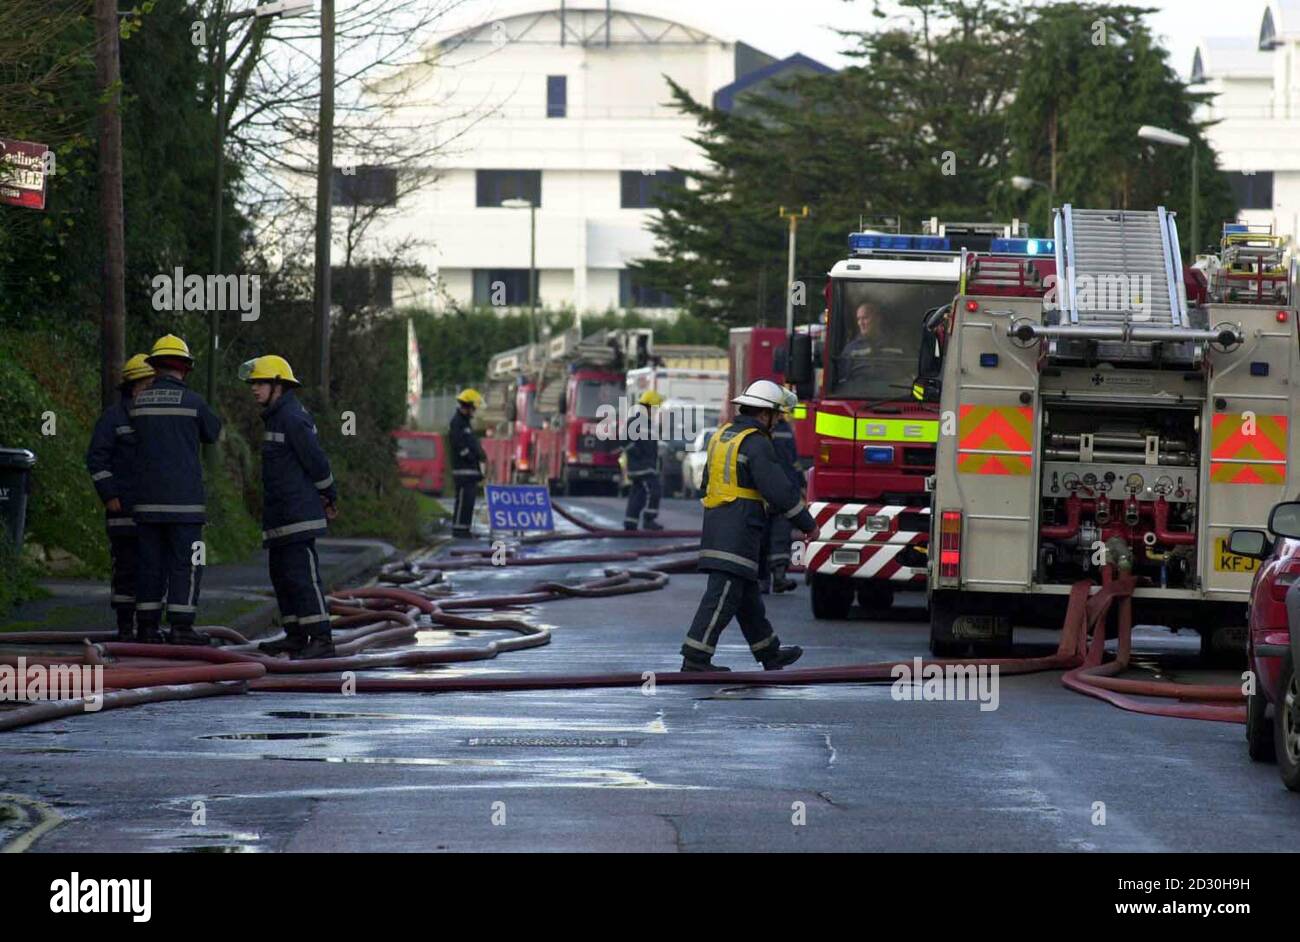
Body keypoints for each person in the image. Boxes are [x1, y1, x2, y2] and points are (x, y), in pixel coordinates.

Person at [680, 379, 816, 672]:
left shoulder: (722, 436)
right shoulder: (756, 442)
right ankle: (695, 657)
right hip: (739, 530)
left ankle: (769, 653)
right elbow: (778, 490)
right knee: (722, 596)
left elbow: (706, 483)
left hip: (719, 525)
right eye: (776, 415)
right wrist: (807, 524)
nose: (778, 421)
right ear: (764, 414)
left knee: (747, 597)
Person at [240, 355, 339, 660]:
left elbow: (316, 461)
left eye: (260, 383)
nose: (254, 389)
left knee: (302, 577)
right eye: (253, 383)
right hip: (281, 516)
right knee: (282, 577)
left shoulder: (293, 418)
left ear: (278, 386)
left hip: (297, 515)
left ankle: (321, 638)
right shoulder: (276, 416)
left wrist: (329, 494)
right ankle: (295, 635)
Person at [130, 335, 222, 645]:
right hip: (185, 505)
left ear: (155, 367)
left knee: (149, 564)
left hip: (146, 504)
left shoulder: (139, 403)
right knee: (188, 563)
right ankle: (181, 627)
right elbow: (213, 432)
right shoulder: (194, 402)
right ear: (185, 368)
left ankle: (146, 627)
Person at [85, 353, 155, 640]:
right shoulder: (113, 418)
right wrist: (110, 495)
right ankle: (125, 627)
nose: (151, 391)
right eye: (147, 385)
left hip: (151, 510)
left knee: (151, 569)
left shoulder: (155, 419)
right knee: (126, 568)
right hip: (123, 510)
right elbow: (96, 459)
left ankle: (148, 627)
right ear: (133, 387)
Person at [766, 387, 803, 594]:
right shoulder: (765, 430)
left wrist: (799, 485)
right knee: (764, 536)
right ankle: (765, 579)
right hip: (766, 492)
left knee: (780, 534)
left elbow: (793, 461)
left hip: (781, 491)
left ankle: (778, 577)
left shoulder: (782, 428)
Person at [622, 389, 665, 531]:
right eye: (655, 408)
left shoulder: (649, 424)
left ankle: (630, 522)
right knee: (654, 490)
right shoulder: (635, 422)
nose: (656, 411)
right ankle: (649, 520)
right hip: (641, 467)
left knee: (638, 494)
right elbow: (624, 441)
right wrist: (638, 454)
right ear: (648, 406)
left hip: (646, 466)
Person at [449, 388, 487, 538]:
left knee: (469, 502)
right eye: (473, 407)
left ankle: (465, 529)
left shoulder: (465, 423)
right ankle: (458, 530)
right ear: (468, 406)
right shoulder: (457, 422)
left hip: (470, 471)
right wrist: (470, 456)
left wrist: (480, 455)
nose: (474, 411)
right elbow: (458, 444)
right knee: (463, 501)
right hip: (463, 470)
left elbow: (471, 443)